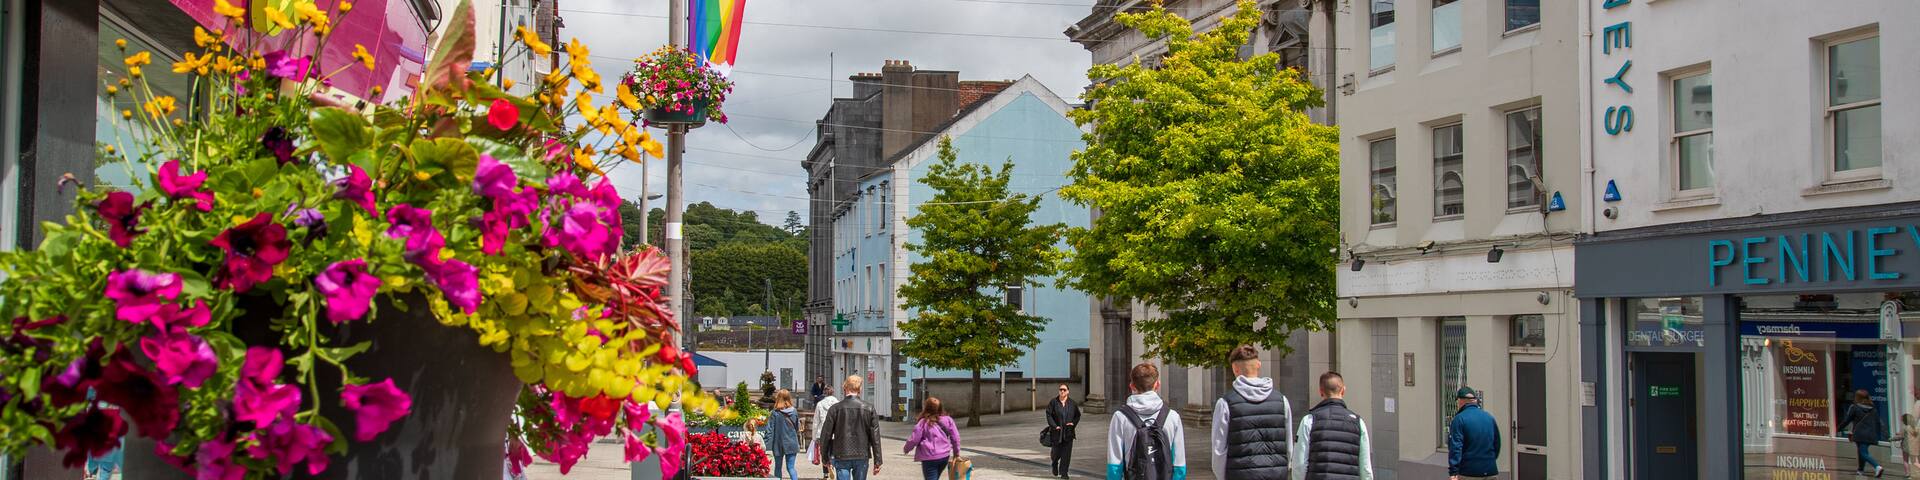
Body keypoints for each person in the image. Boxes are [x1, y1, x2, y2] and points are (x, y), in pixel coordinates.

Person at [1212, 345, 1293, 480]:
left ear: (1234, 368)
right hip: (1276, 473)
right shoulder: (1282, 400)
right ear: (1259, 365)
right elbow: (1288, 445)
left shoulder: (1225, 403)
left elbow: (1218, 450)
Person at [1106, 363, 1187, 480]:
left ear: (1132, 385)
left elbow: (1114, 463)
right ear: (1157, 384)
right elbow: (1179, 464)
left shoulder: (1120, 417)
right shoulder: (1172, 417)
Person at [1290, 371, 1372, 480]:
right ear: (1343, 390)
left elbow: (1300, 464)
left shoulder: (1309, 420)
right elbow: (1365, 468)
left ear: (1321, 392)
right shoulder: (1358, 423)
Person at [820, 375, 883, 480]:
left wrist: (825, 457)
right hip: (862, 454)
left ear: (845, 388)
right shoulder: (869, 408)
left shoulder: (835, 409)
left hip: (841, 453)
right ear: (860, 389)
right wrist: (878, 460)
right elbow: (875, 437)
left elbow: (826, 435)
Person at [1446, 387, 1500, 480]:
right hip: (1490, 470)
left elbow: (1456, 447)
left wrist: (1453, 471)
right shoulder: (1489, 417)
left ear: (1460, 400)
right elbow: (1497, 443)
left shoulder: (1459, 419)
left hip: (1469, 472)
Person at [904, 397, 962, 480]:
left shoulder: (923, 423)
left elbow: (914, 439)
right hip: (944, 457)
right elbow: (955, 437)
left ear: (926, 408)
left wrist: (907, 448)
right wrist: (956, 453)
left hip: (929, 457)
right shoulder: (948, 420)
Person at [1838, 389, 1888, 477]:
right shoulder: (1873, 409)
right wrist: (1885, 434)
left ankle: (1877, 466)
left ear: (1857, 397)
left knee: (1863, 453)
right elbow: (1878, 422)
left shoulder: (1855, 407)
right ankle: (1860, 470)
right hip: (1870, 434)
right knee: (1862, 451)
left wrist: (1839, 428)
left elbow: (1847, 420)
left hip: (1860, 433)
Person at [766, 389, 802, 480]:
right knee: (791, 468)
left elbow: (769, 430)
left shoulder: (775, 413)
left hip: (778, 443)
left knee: (778, 467)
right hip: (792, 442)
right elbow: (797, 428)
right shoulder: (794, 411)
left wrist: (764, 442)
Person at [1048, 384, 1082, 478]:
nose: (1062, 391)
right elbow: (1049, 415)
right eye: (1060, 390)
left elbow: (1077, 415)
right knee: (1056, 453)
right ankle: (1054, 463)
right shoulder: (1053, 402)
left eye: (1064, 390)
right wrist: (1054, 426)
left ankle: (1064, 473)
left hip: (1068, 432)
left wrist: (1073, 424)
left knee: (1066, 454)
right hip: (1057, 432)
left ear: (1068, 391)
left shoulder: (1072, 403)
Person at [811, 385, 841, 478]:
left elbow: (816, 421)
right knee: (834, 452)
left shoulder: (820, 404)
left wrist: (814, 436)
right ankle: (832, 464)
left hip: (822, 433)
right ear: (833, 392)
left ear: (824, 392)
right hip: (836, 433)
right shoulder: (838, 404)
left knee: (824, 453)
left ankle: (826, 473)